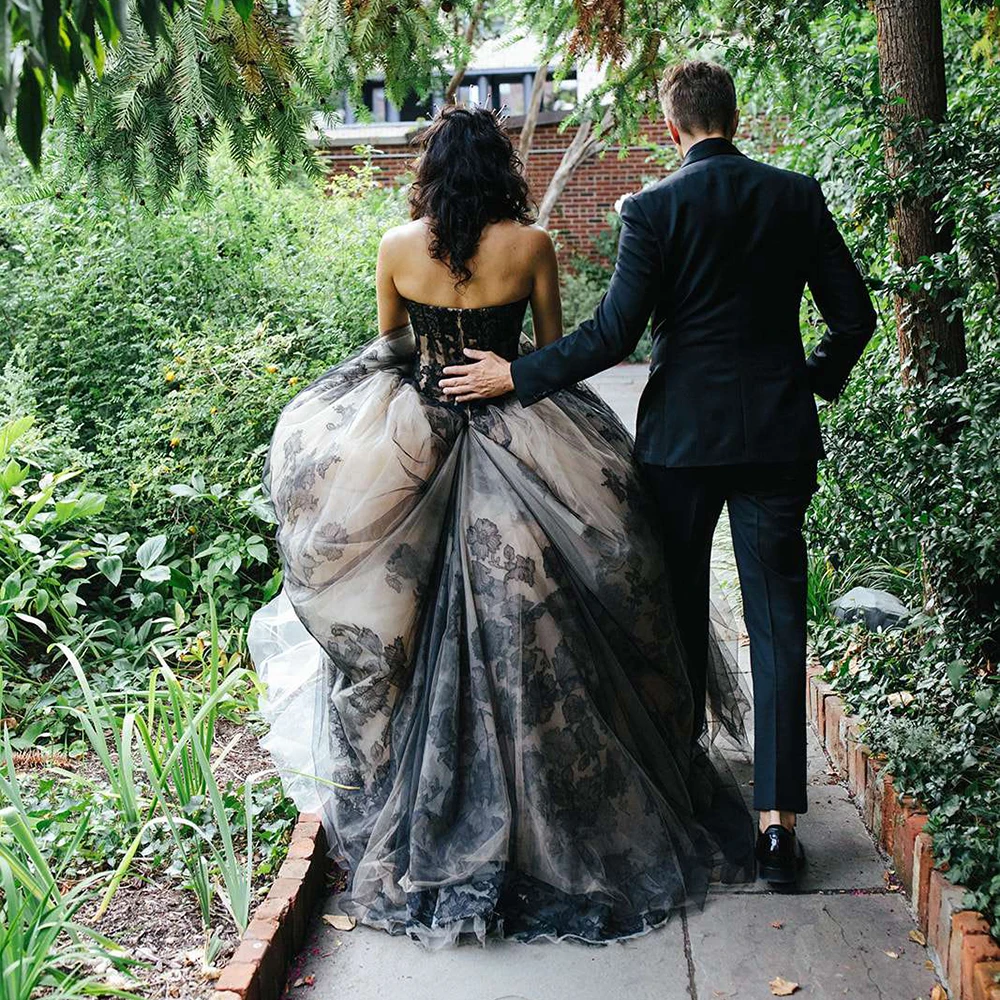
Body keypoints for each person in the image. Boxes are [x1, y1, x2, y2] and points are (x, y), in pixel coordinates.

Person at [247, 103, 756, 948]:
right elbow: (553, 353)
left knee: (413, 620)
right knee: (560, 610)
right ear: (500, 170)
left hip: (424, 433)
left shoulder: (396, 247)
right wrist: (507, 373)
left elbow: (392, 352)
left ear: (432, 171)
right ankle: (555, 804)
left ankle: (441, 806)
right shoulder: (532, 245)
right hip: (524, 425)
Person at [440, 61, 877, 886]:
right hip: (778, 440)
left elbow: (611, 335)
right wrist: (808, 376)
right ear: (734, 116)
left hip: (680, 444)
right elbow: (853, 317)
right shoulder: (795, 196)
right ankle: (778, 827)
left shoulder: (652, 208)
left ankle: (680, 787)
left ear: (672, 128)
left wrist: (515, 375)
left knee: (671, 612)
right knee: (778, 621)